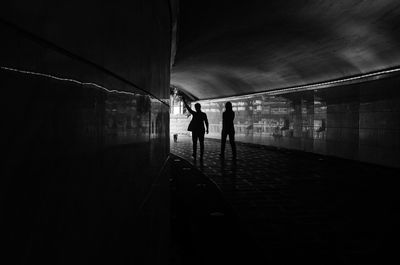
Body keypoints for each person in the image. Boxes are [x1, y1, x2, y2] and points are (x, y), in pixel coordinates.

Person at [182, 97, 209, 161]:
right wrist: (207, 129)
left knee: (194, 142)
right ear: (200, 107)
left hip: (195, 130)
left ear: (197, 108)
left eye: (196, 107)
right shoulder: (203, 114)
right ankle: (201, 155)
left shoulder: (195, 113)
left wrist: (184, 101)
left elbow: (188, 109)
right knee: (201, 143)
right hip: (201, 130)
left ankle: (194, 153)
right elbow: (206, 122)